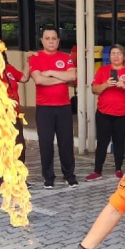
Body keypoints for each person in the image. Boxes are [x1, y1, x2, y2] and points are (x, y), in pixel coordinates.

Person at [28, 26, 79, 189]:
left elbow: (72, 76)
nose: (51, 41)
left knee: (66, 143)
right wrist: (61, 77)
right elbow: (39, 80)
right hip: (44, 109)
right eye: (47, 38)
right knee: (46, 144)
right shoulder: (35, 58)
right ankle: (48, 178)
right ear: (42, 40)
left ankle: (69, 176)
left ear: (58, 40)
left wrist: (50, 71)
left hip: (64, 107)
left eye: (54, 38)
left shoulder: (66, 57)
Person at [87, 44, 125, 181]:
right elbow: (94, 90)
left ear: (124, 57)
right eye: (113, 54)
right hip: (103, 113)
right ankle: (97, 171)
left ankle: (118, 169)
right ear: (109, 57)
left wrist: (124, 86)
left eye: (118, 54)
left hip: (123, 114)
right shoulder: (102, 71)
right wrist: (106, 84)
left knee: (119, 142)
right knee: (102, 143)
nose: (115, 56)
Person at [0, 41, 30, 187]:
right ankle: (1, 179)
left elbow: (23, 78)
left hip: (13, 115)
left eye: (0, 53)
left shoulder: (9, 68)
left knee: (19, 146)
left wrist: (30, 62)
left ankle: (17, 178)